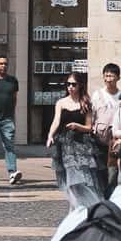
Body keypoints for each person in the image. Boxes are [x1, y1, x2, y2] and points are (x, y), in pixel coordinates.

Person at [49, 74, 113, 209]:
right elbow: (56, 121)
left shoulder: (85, 103)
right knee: (70, 176)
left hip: (82, 145)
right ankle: (75, 207)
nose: (71, 87)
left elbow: (89, 127)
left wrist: (77, 126)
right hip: (65, 145)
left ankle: (89, 206)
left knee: (84, 177)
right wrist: (50, 135)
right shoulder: (61, 102)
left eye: (74, 84)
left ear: (80, 85)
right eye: (68, 84)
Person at [0, 53, 24, 186]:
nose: (4, 66)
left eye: (5, 64)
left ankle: (12, 172)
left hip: (7, 118)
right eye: (1, 63)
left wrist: (12, 114)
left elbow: (14, 98)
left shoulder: (13, 81)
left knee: (9, 145)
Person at [90, 64, 121, 163]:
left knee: (114, 170)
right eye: (106, 76)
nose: (108, 79)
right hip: (99, 138)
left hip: (117, 139)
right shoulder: (97, 95)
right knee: (100, 169)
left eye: (111, 76)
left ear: (118, 77)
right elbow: (92, 115)